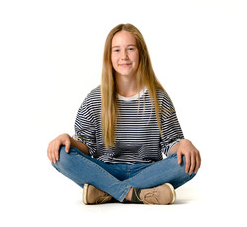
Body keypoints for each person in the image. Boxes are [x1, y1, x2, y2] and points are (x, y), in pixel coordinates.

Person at [47, 23, 201, 205]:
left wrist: (185, 144)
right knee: (61, 156)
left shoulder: (159, 98)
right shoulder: (95, 99)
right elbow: (87, 147)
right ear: (109, 56)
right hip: (105, 170)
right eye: (117, 50)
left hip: (148, 171)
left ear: (141, 53)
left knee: (189, 162)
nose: (124, 56)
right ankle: (138, 194)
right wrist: (67, 139)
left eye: (130, 49)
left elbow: (171, 144)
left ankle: (105, 192)